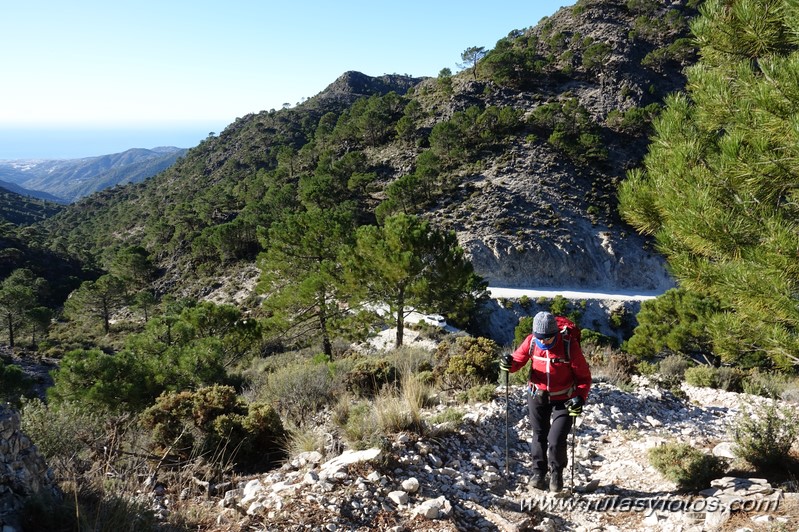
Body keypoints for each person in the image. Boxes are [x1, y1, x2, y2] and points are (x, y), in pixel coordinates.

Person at [500, 311, 591, 492]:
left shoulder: (569, 345)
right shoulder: (532, 341)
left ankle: (556, 474)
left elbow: (584, 378)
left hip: (565, 398)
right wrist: (509, 364)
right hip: (537, 395)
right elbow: (518, 361)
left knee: (556, 439)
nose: (545, 342)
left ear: (555, 334)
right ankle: (538, 473)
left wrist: (580, 398)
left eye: (549, 338)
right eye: (541, 338)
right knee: (539, 435)